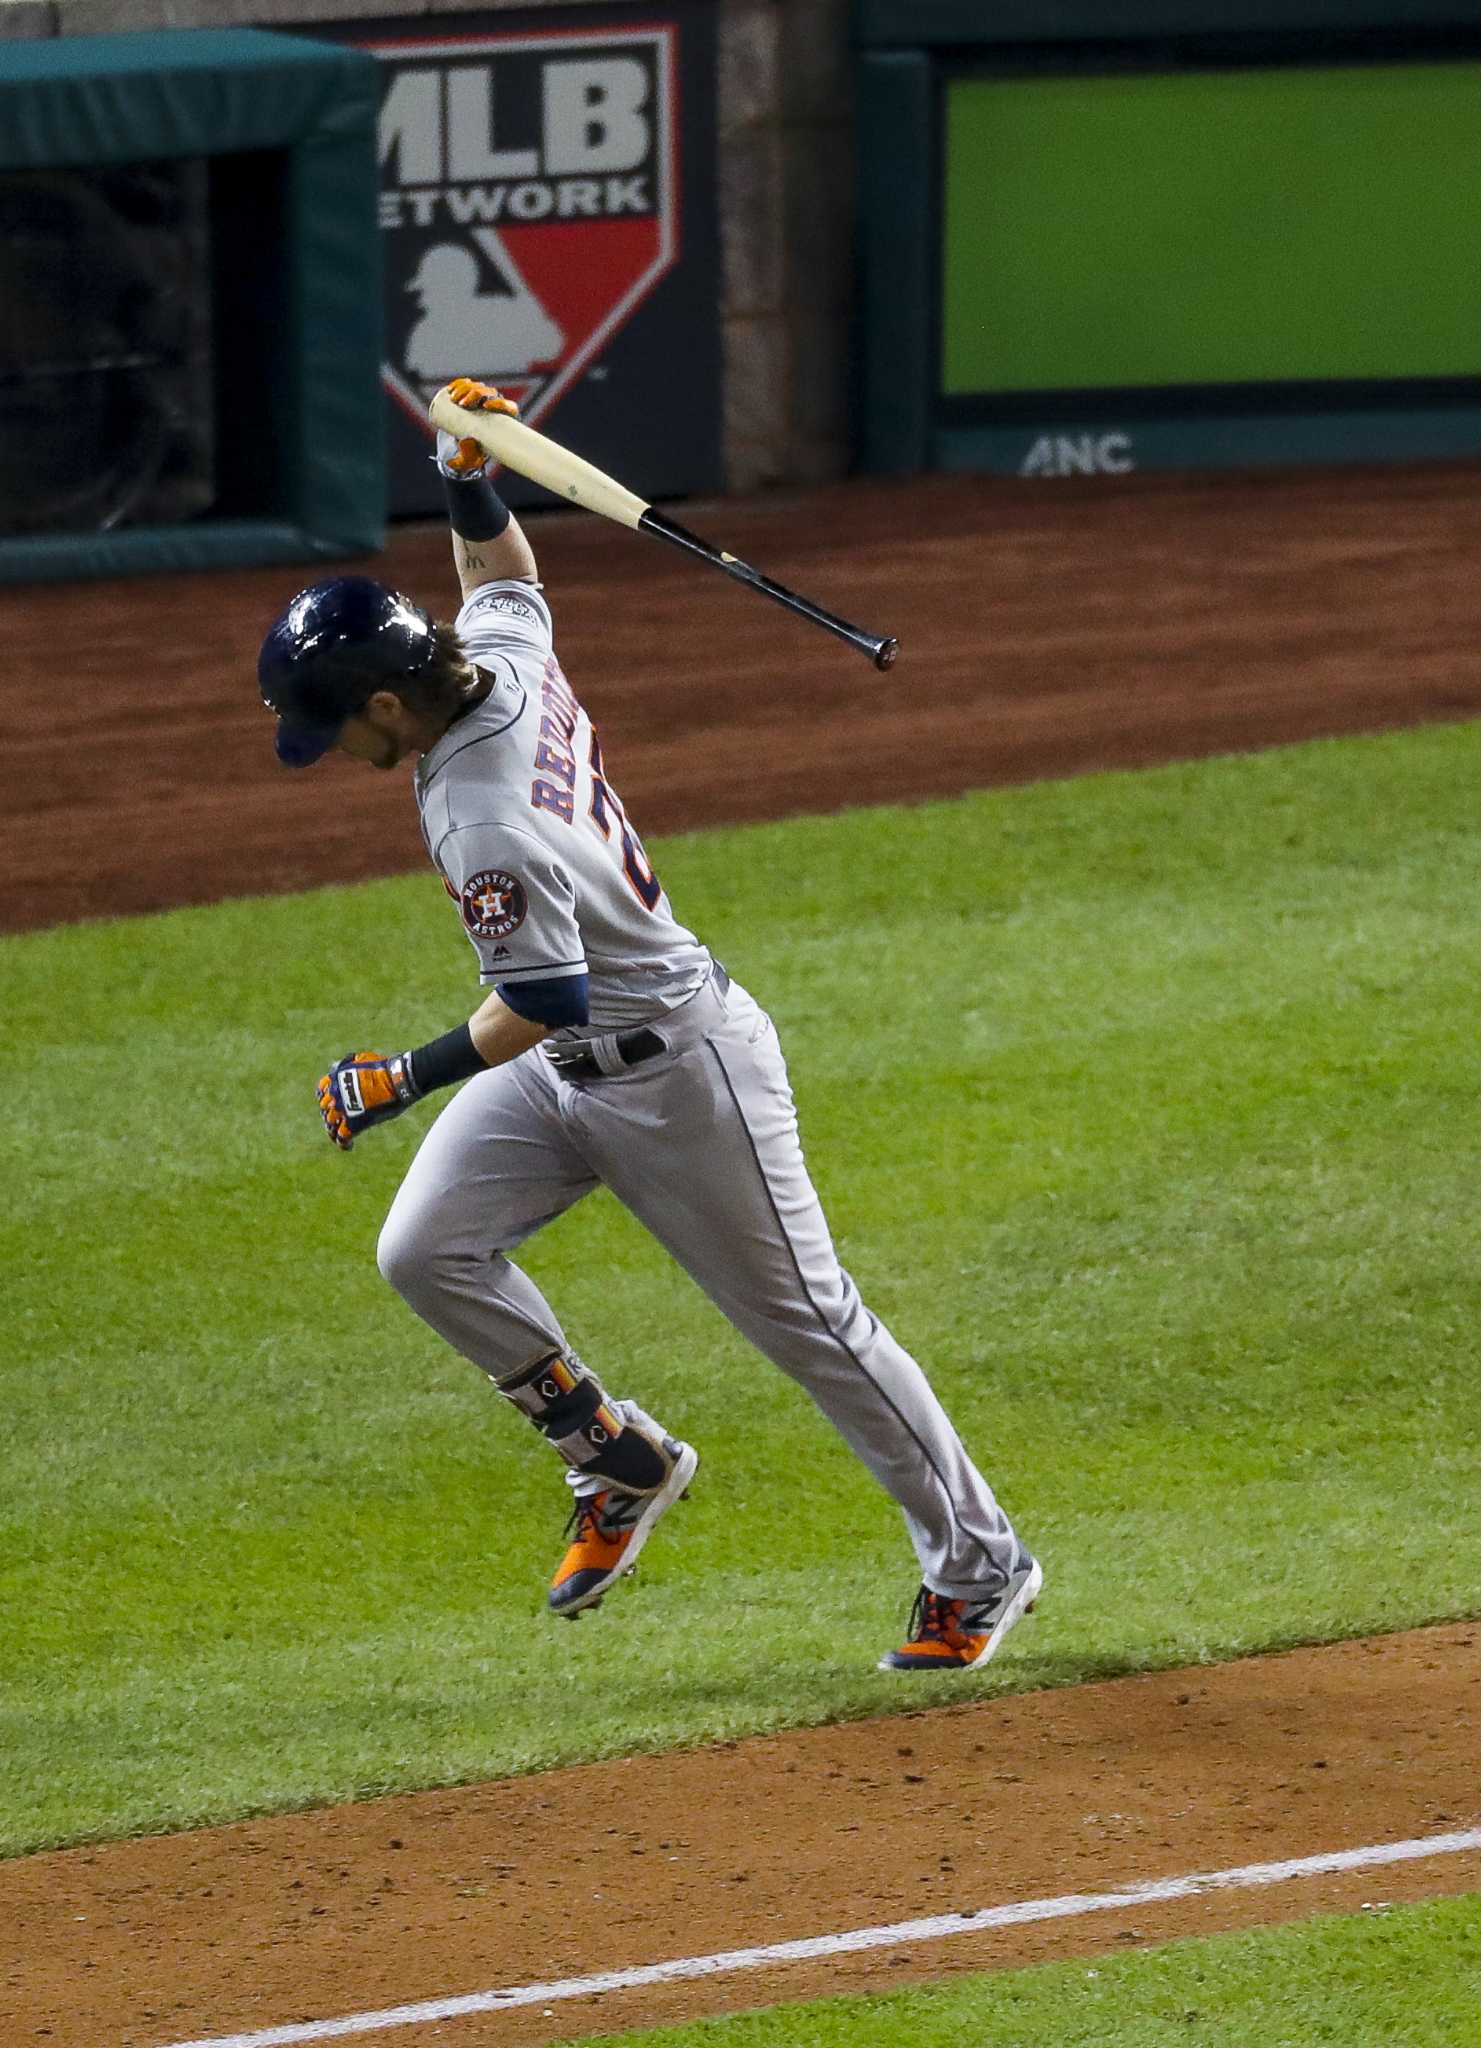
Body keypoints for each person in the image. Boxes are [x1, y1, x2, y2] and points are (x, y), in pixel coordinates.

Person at [256, 376, 1042, 1672]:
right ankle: (614, 1457)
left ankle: (980, 1558)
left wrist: (399, 1077)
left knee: (817, 1325)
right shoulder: (495, 657)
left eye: (328, 725)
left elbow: (542, 999)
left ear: (387, 706)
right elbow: (507, 571)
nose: (326, 747)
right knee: (426, 1248)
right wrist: (464, 472)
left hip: (680, 1076)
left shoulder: (478, 813)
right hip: (574, 1072)